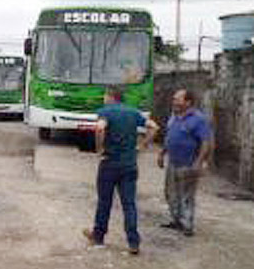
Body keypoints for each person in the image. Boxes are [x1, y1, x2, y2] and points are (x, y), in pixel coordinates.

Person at [83, 86, 159, 254]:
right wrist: (142, 146)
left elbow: (100, 128)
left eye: (105, 95)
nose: (104, 98)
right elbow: (154, 127)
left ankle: (98, 236)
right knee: (129, 204)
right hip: (130, 165)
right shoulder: (133, 112)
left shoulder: (106, 111)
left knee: (104, 202)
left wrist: (99, 149)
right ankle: (133, 242)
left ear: (110, 97)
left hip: (110, 164)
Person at [157, 88, 213, 236]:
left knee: (186, 195)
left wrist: (199, 162)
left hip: (188, 163)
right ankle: (176, 220)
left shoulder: (198, 119)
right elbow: (169, 137)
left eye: (177, 99)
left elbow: (205, 143)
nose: (174, 101)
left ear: (188, 102)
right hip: (173, 162)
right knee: (170, 193)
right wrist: (162, 153)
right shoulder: (174, 116)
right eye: (174, 98)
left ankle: (187, 225)